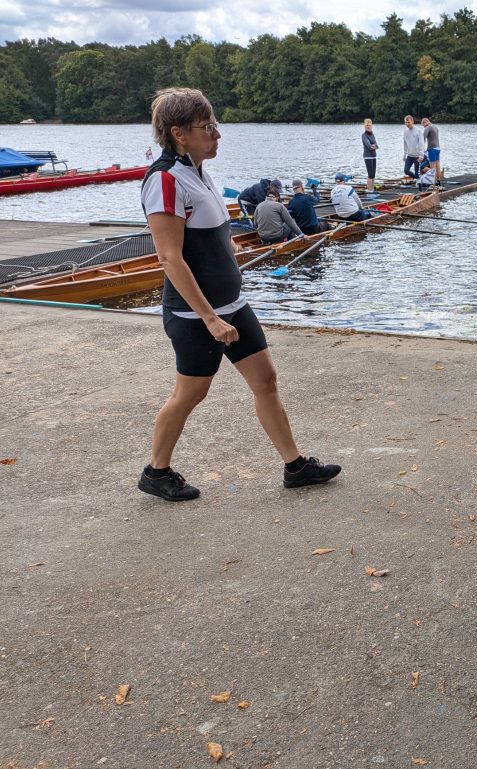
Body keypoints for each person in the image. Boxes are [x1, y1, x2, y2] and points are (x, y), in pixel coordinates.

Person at [138, 87, 339, 502]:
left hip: (234, 305)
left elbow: (211, 234)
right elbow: (170, 259)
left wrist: (233, 250)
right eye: (207, 127)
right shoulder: (164, 180)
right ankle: (156, 472)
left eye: (215, 126)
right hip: (197, 316)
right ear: (178, 132)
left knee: (266, 379)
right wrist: (210, 318)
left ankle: (296, 466)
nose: (217, 135)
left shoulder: (198, 171)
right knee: (191, 393)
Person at [403, 115, 425, 180]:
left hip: (417, 156)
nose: (407, 124)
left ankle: (418, 183)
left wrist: (421, 155)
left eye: (408, 122)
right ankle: (416, 179)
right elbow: (405, 144)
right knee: (406, 171)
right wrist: (404, 155)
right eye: (406, 122)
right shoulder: (405, 132)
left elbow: (422, 143)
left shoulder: (418, 131)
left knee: (417, 174)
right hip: (409, 156)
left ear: (412, 121)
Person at [421, 116, 441, 183]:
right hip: (438, 148)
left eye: (423, 125)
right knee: (437, 165)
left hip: (432, 149)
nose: (423, 127)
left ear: (425, 123)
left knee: (432, 167)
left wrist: (420, 149)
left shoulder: (428, 127)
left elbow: (422, 139)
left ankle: (433, 183)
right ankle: (439, 180)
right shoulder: (435, 127)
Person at [362, 118, 378, 193]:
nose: (368, 126)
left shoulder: (372, 134)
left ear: (371, 125)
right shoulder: (364, 135)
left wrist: (374, 146)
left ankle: (372, 190)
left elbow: (376, 145)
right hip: (367, 156)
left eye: (369, 125)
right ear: (365, 126)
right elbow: (369, 146)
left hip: (374, 156)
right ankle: (369, 190)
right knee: (370, 175)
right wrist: (373, 146)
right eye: (367, 125)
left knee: (373, 175)